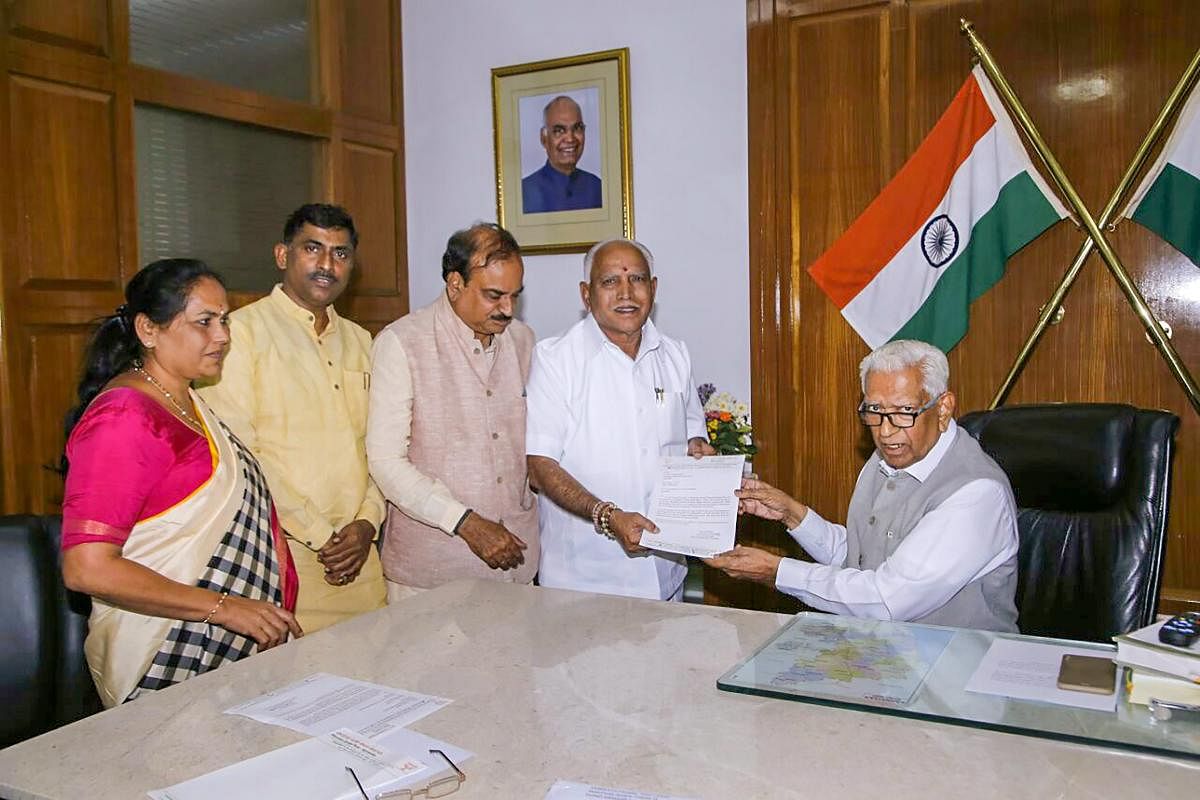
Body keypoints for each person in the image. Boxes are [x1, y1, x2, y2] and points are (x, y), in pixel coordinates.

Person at [60, 259, 301, 708]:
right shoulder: (123, 418)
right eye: (204, 322)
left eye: (224, 320)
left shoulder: (185, 400)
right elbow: (86, 568)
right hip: (165, 651)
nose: (223, 336)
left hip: (231, 648)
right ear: (148, 330)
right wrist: (222, 608)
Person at [706, 340, 1019, 632]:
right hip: (886, 661)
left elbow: (886, 599)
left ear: (943, 408)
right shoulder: (889, 456)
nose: (885, 432)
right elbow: (860, 558)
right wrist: (792, 514)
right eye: (875, 411)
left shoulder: (977, 494)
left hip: (957, 675)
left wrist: (776, 572)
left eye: (904, 412)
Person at [199, 204, 387, 633]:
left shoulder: (362, 341)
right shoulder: (238, 335)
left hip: (361, 560)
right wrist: (323, 536)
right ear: (282, 255)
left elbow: (380, 446)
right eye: (313, 249)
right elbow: (244, 456)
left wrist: (367, 522)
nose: (327, 264)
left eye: (341, 254)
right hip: (283, 562)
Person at [526, 238, 715, 601]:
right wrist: (607, 515)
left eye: (638, 280)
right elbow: (539, 465)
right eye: (610, 281)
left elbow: (693, 435)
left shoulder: (675, 355)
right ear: (586, 294)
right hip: (584, 582)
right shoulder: (555, 360)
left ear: (654, 289)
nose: (626, 293)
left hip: (666, 574)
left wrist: (698, 450)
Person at [367, 222, 538, 598]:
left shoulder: (523, 341)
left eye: (515, 296)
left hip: (519, 568)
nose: (508, 310)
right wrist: (465, 522)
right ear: (455, 283)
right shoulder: (402, 344)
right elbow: (385, 462)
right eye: (494, 295)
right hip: (431, 574)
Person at [521, 95, 602, 213]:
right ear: (544, 139)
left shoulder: (597, 188)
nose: (570, 139)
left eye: (577, 128)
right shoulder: (525, 192)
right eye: (559, 131)